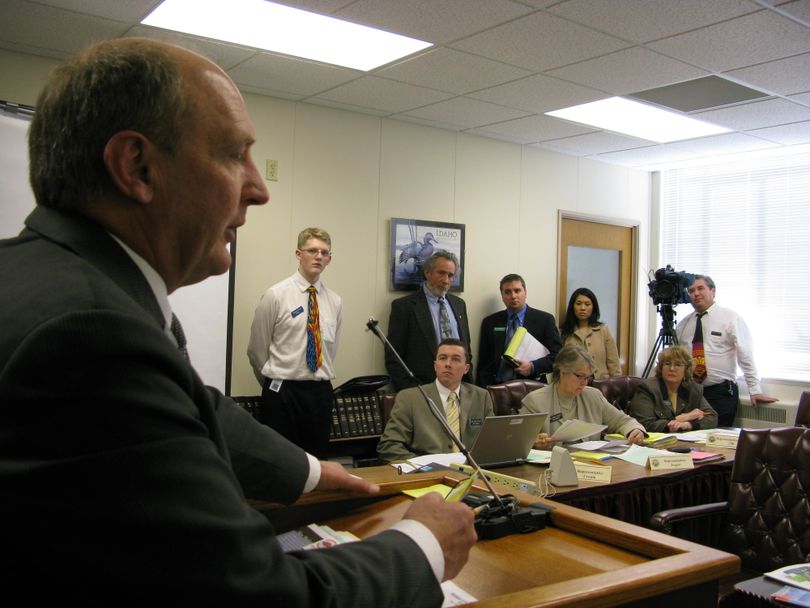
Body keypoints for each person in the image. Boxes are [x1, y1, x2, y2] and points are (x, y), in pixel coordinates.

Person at [0, 38, 476, 604]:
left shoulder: (58, 278)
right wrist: (423, 542)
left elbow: (196, 405)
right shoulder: (90, 332)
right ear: (137, 166)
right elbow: (258, 595)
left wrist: (309, 471)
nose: (259, 188)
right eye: (233, 154)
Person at [247, 227, 341, 459]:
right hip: (283, 392)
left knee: (316, 461)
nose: (318, 256)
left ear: (329, 259)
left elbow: (331, 350)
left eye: (324, 252)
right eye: (312, 251)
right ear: (299, 254)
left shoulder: (335, 301)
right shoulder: (276, 295)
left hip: (319, 392)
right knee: (281, 462)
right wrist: (274, 379)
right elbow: (256, 350)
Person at [675, 275, 777, 427]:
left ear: (713, 291)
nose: (695, 293)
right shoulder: (683, 324)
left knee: (716, 439)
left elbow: (745, 354)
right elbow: (676, 359)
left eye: (700, 288)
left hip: (720, 393)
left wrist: (754, 389)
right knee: (690, 438)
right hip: (691, 393)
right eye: (691, 290)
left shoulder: (730, 318)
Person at [378, 339, 494, 463]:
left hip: (473, 473)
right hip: (428, 474)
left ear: (466, 368)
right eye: (443, 358)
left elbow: (493, 442)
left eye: (455, 359)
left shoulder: (481, 397)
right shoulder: (409, 398)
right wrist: (424, 466)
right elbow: (389, 447)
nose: (448, 364)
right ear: (435, 365)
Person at [522, 345, 645, 449]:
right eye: (580, 376)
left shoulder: (593, 396)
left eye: (587, 377)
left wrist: (634, 430)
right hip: (550, 470)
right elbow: (518, 443)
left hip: (591, 467)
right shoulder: (535, 401)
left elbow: (623, 421)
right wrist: (534, 443)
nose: (584, 383)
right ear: (562, 372)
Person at [386, 251, 472, 391]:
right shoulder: (405, 307)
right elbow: (394, 358)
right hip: (421, 390)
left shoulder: (459, 305)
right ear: (427, 273)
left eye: (450, 275)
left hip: (458, 389)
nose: (446, 280)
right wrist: (410, 390)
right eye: (441, 273)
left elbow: (467, 349)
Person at [477, 274, 562, 387]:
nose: (513, 296)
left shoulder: (544, 320)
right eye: (507, 292)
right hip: (496, 388)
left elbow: (559, 357)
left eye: (517, 291)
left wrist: (533, 367)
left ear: (525, 292)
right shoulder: (490, 322)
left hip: (532, 388)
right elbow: (484, 362)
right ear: (502, 296)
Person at [629, 345, 718, 432]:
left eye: (678, 365)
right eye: (667, 364)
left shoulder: (692, 389)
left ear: (686, 369)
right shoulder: (647, 388)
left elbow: (712, 417)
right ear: (661, 367)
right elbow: (645, 423)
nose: (672, 368)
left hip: (683, 441)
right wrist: (685, 417)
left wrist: (688, 425)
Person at [560, 287, 621, 379]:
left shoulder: (603, 330)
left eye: (587, 304)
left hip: (602, 384)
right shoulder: (563, 332)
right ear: (572, 306)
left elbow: (614, 363)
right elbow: (560, 364)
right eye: (578, 304)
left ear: (593, 307)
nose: (583, 308)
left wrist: (616, 386)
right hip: (574, 384)